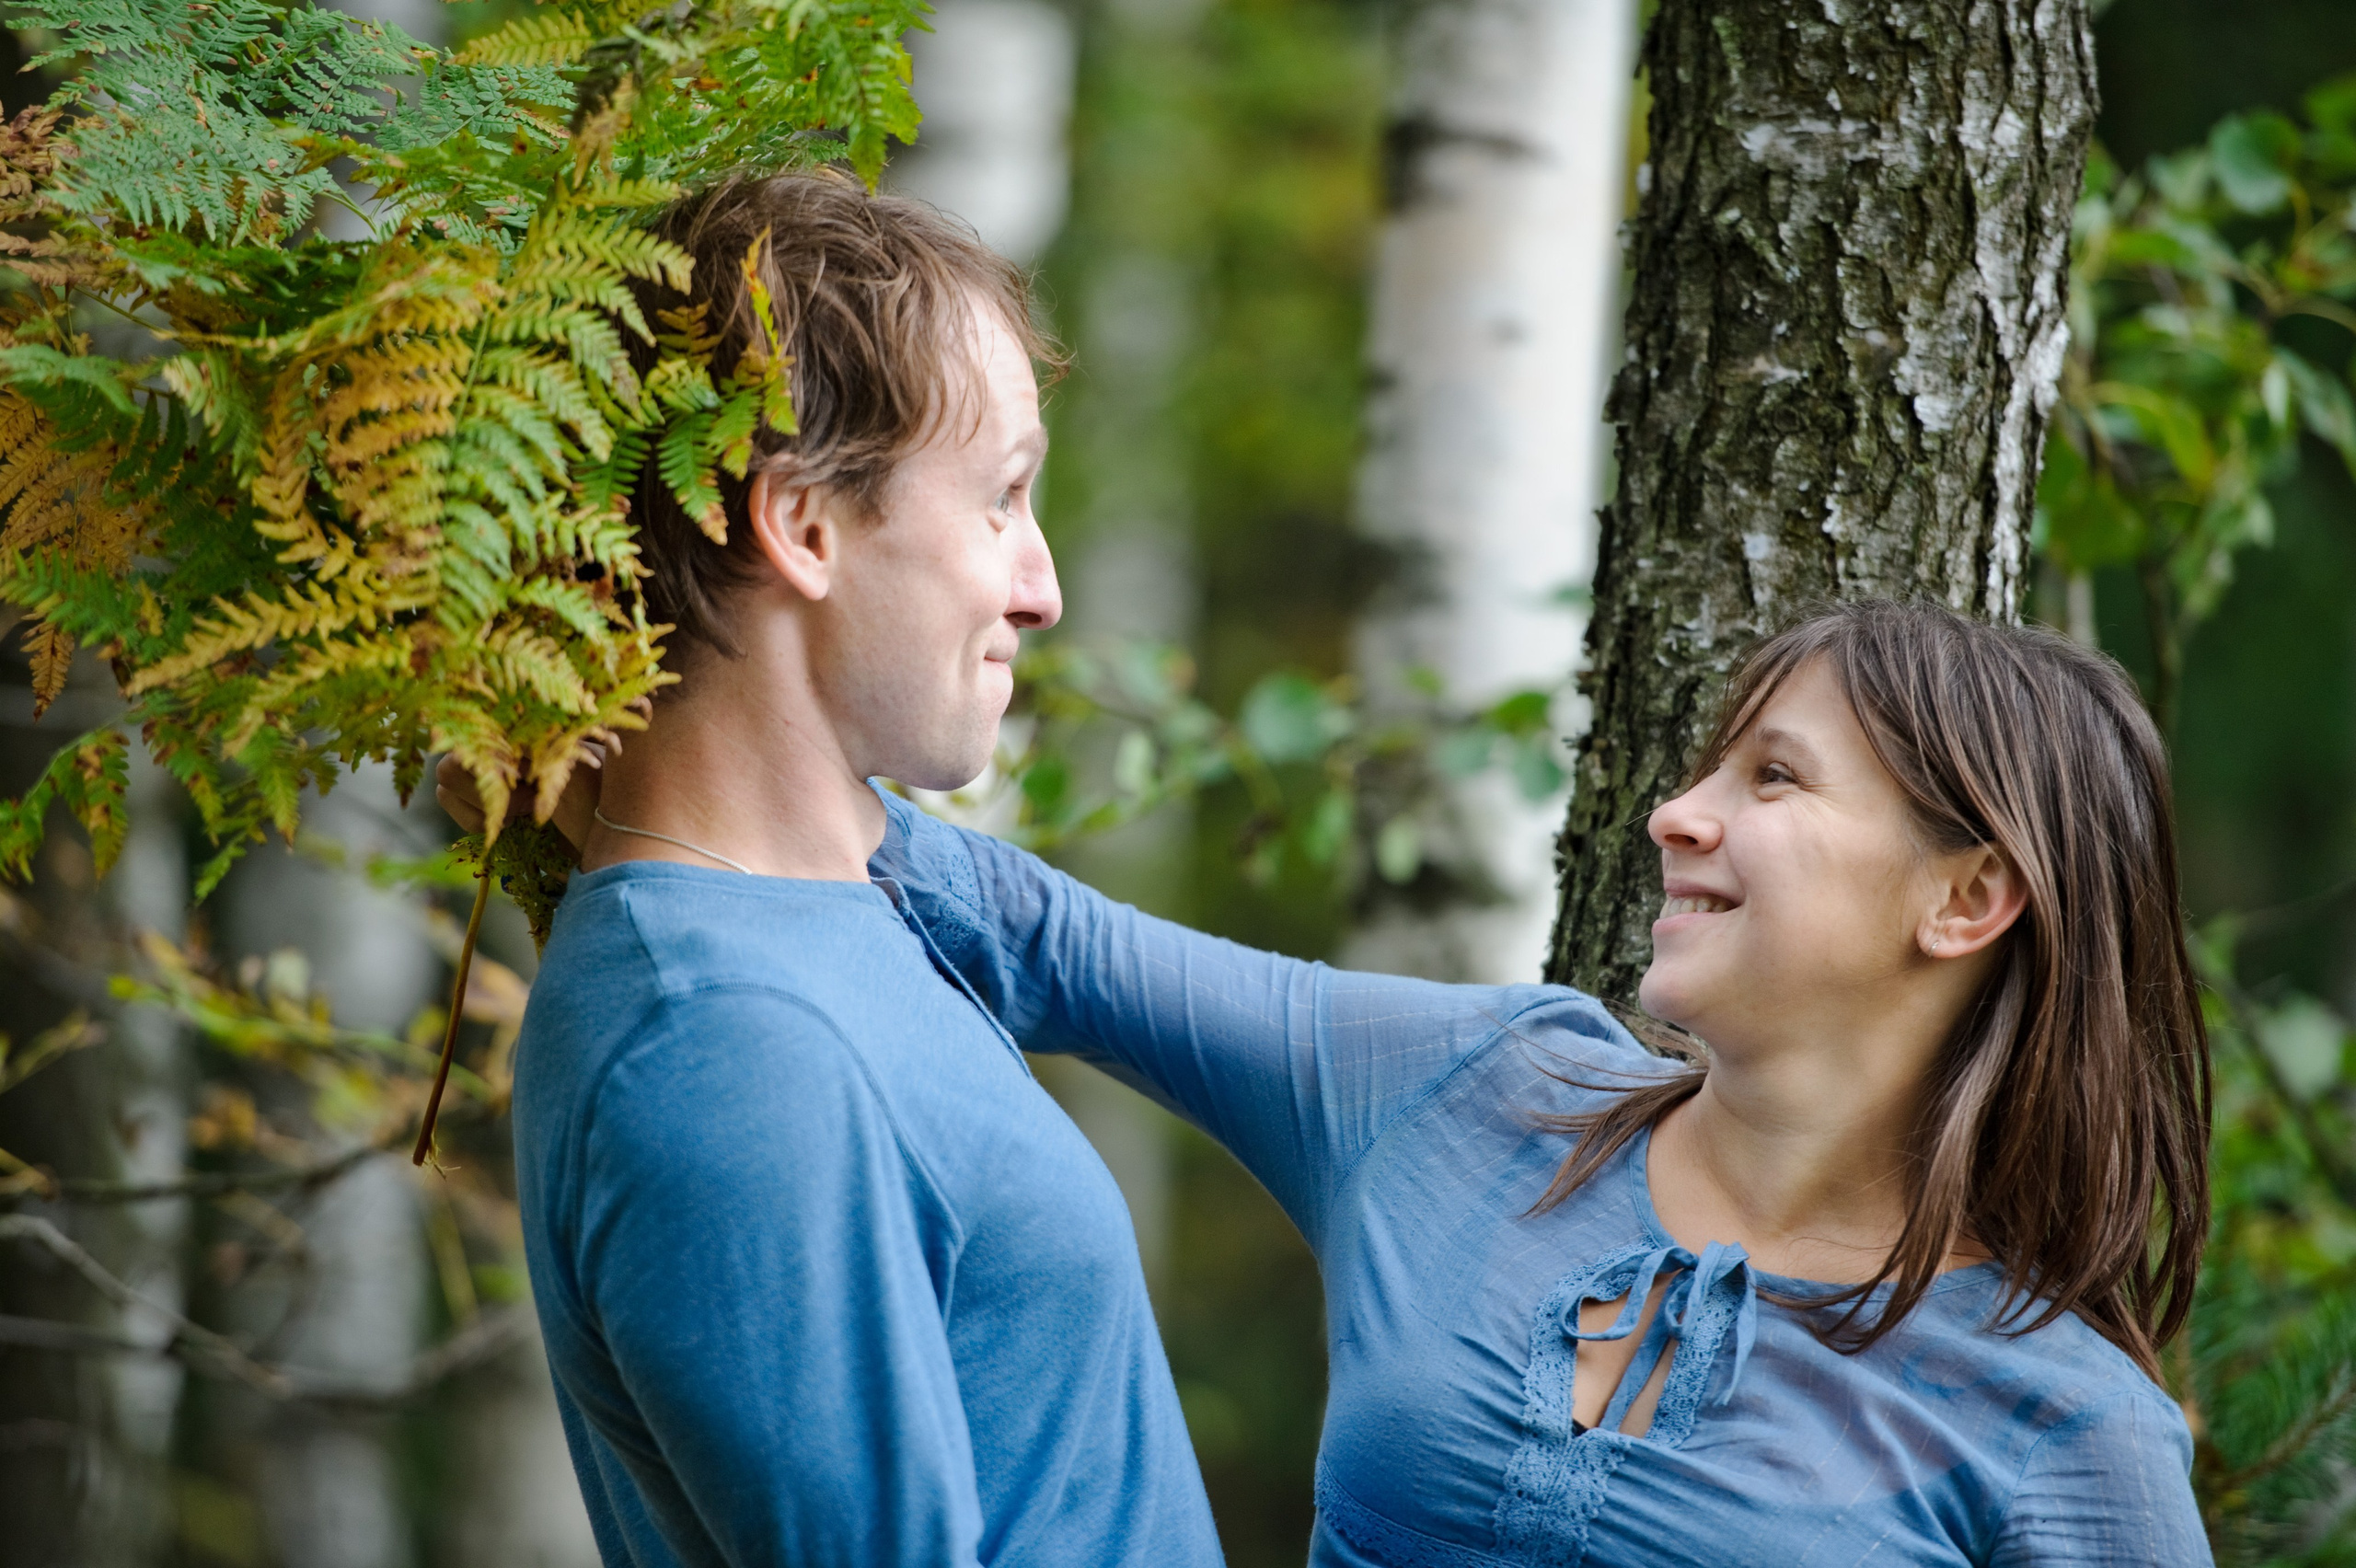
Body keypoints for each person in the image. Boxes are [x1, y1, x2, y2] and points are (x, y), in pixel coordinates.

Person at [468, 598, 2212, 1562]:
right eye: (1701, 768)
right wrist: (633, 664)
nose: (1680, 814)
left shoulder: (2063, 1431)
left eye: (1776, 779)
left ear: (1969, 896)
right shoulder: (1485, 1095)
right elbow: (1030, 932)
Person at [441, 170, 1225, 1568]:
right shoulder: (723, 1046)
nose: (1041, 587)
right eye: (1002, 499)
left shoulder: (844, 912)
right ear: (802, 527)